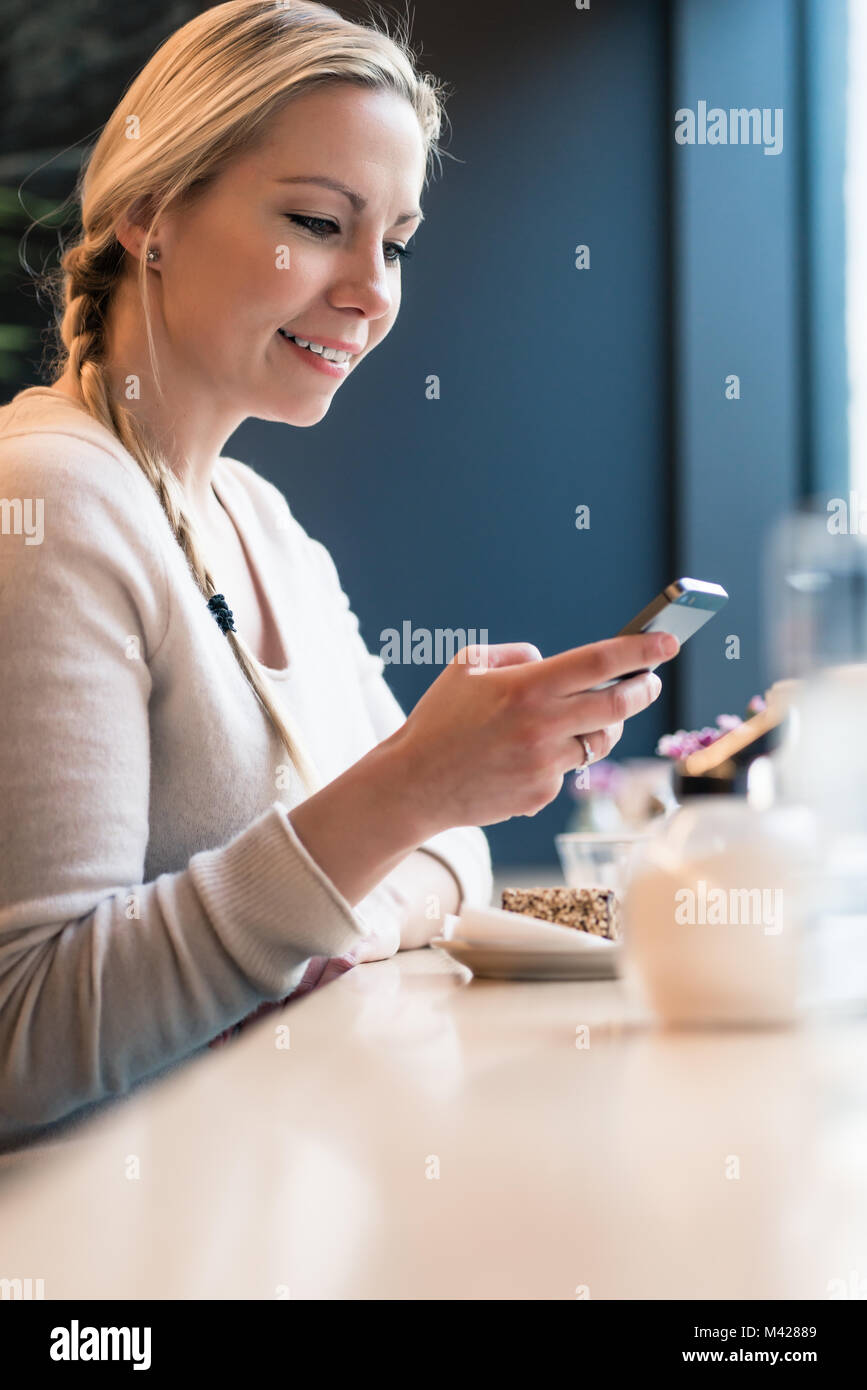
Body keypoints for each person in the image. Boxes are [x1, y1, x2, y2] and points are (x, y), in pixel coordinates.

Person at [0, 0, 675, 1148]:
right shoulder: (51, 503)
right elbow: (26, 1037)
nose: (376, 289)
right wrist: (405, 794)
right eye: (319, 221)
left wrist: (388, 848)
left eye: (397, 241)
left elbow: (456, 855)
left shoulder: (265, 524)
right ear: (150, 213)